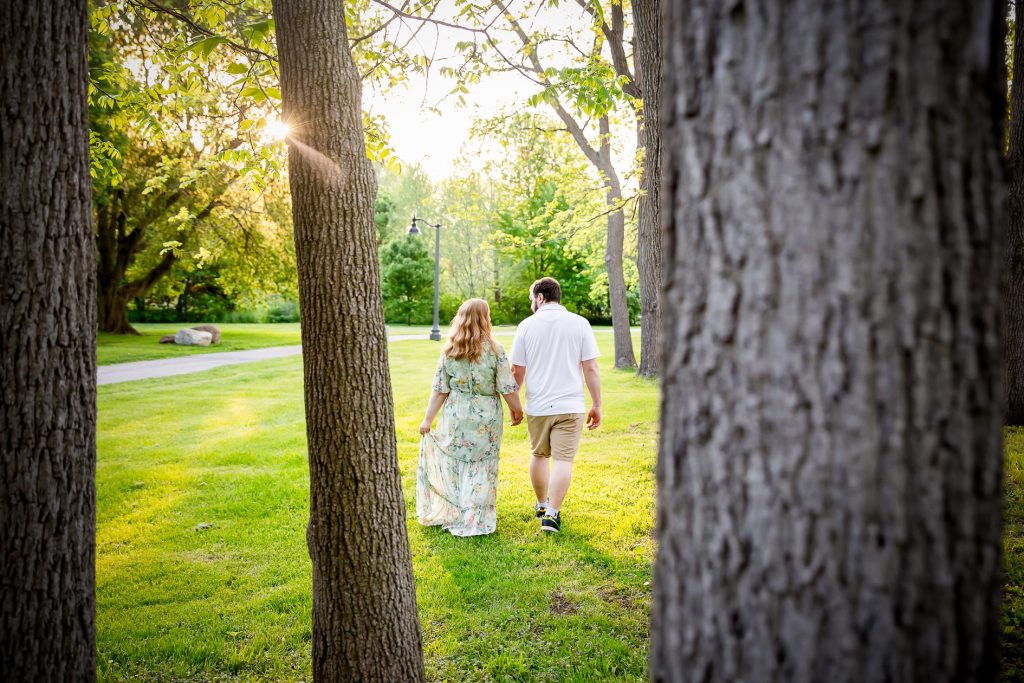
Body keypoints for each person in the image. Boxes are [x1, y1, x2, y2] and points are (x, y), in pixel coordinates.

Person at [417, 298, 524, 536]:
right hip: (486, 417)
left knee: (457, 461)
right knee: (482, 465)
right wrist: (517, 409)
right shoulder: (495, 350)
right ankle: (475, 517)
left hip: (456, 413)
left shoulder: (450, 350)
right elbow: (507, 386)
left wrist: (428, 420)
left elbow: (440, 389)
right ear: (484, 319)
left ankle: (456, 512)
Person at [510, 277, 601, 533]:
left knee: (539, 455)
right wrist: (597, 404)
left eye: (531, 299)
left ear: (540, 298)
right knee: (563, 460)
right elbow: (591, 367)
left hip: (538, 405)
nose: (531, 304)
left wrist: (514, 403)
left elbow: (517, 370)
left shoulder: (526, 326)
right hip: (570, 405)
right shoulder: (580, 323)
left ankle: (541, 504)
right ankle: (551, 514)